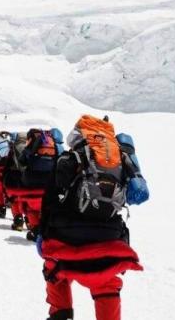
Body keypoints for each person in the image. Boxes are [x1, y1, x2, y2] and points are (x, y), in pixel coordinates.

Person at [37, 115, 150, 320]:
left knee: (54, 269)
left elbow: (50, 200)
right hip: (109, 237)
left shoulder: (70, 158)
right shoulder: (120, 159)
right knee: (106, 281)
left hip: (68, 238)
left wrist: (42, 234)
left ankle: (61, 315)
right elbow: (136, 196)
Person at [13, 128, 64, 240]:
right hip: (49, 182)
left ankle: (35, 229)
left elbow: (22, 161)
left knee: (29, 207)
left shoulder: (32, 145)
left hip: (31, 181)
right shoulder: (56, 146)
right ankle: (46, 230)